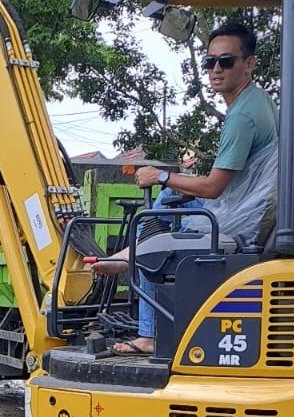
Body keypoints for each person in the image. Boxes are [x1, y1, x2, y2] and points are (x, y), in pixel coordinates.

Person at [92, 22, 278, 355]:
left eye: (226, 61)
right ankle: (127, 257)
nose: (216, 70)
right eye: (210, 63)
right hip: (248, 206)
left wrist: (161, 176)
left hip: (232, 218)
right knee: (168, 201)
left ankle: (145, 319)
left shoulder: (242, 117)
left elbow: (213, 188)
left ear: (249, 64)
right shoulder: (259, 102)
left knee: (158, 227)